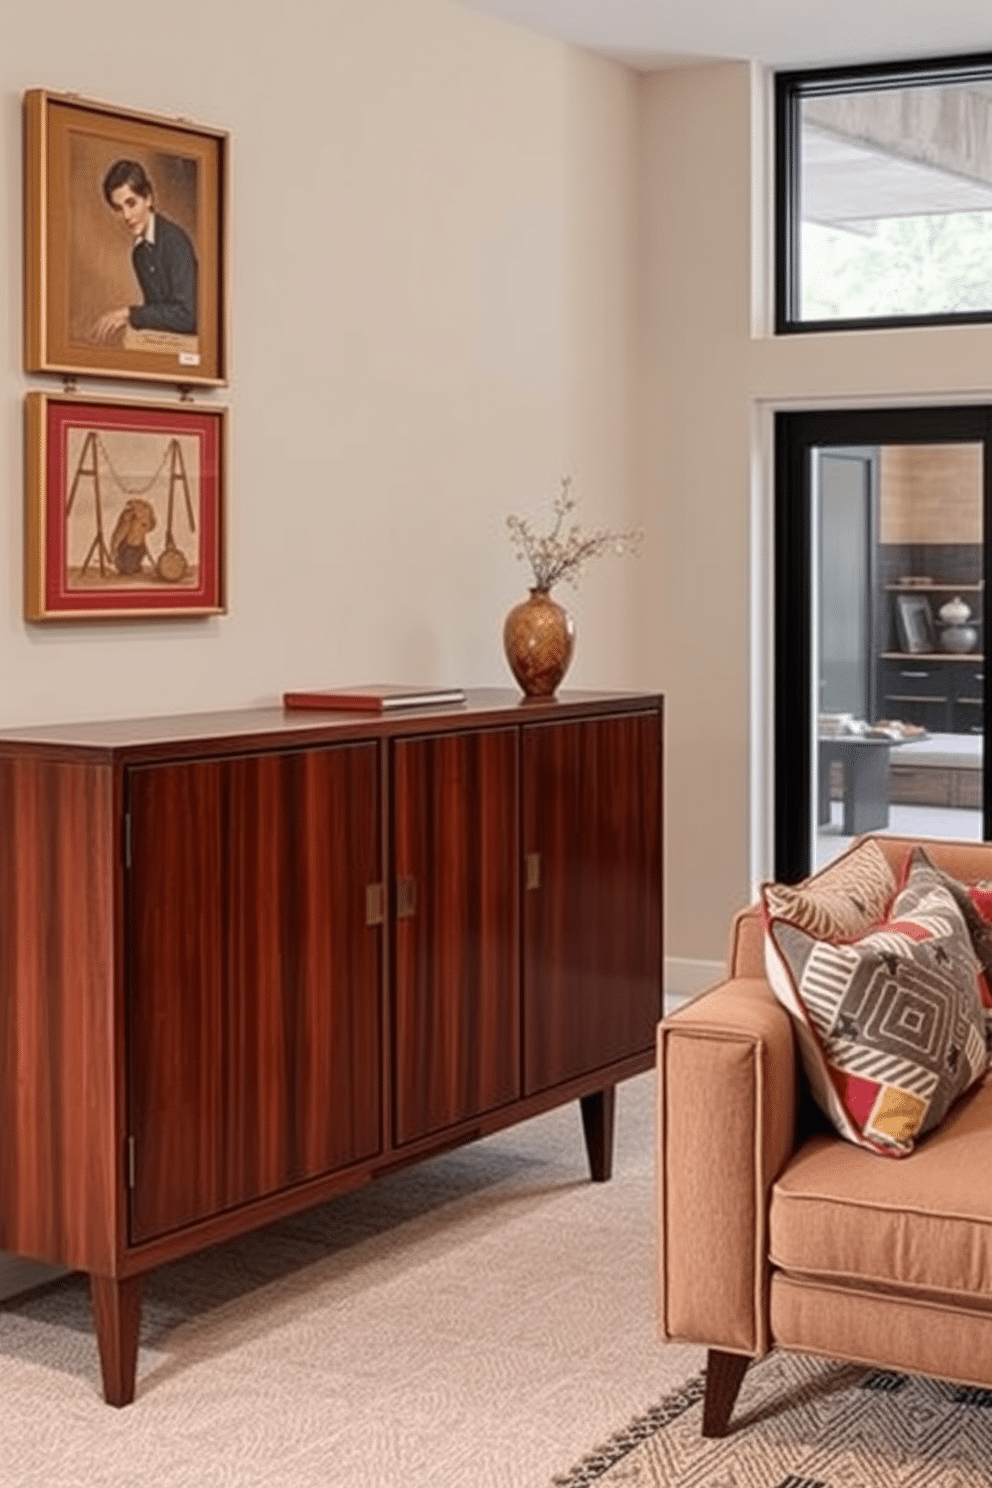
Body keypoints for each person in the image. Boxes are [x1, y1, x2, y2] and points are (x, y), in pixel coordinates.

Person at [91, 160, 198, 343]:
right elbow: (157, 316)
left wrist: (129, 314)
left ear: (148, 198)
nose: (126, 216)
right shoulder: (139, 253)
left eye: (131, 203)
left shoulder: (175, 241)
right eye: (118, 209)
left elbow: (187, 317)